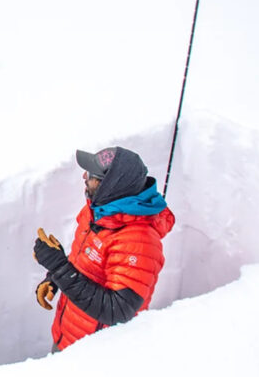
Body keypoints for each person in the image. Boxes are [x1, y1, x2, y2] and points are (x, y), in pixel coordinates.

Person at [31, 147, 175, 352]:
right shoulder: (97, 212)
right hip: (69, 336)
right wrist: (55, 278)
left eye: (91, 175)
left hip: (96, 356)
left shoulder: (139, 241)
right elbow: (87, 265)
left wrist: (60, 267)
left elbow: (119, 311)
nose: (84, 177)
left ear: (110, 186)